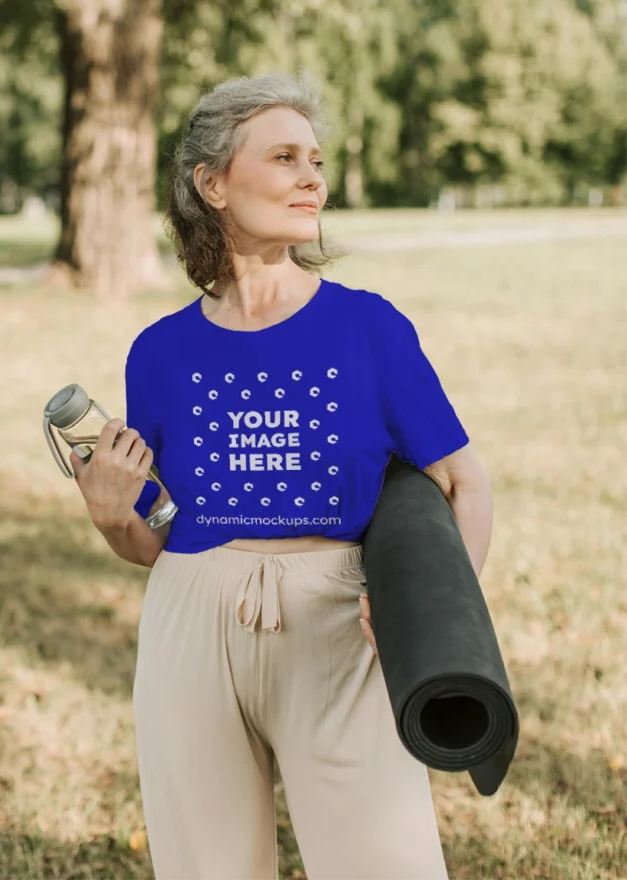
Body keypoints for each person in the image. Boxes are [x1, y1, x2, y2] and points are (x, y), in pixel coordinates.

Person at [70, 73, 491, 880]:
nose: (312, 179)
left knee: (385, 863)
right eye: (286, 157)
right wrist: (111, 514)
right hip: (190, 618)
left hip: (340, 618)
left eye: (317, 161)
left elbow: (464, 481)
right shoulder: (157, 352)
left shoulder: (369, 326)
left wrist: (433, 625)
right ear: (213, 183)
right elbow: (153, 541)